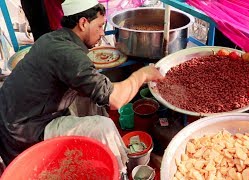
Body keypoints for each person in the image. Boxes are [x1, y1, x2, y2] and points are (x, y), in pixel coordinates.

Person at [0, 0, 163, 173]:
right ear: (83, 23)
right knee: (103, 127)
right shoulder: (68, 54)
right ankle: (119, 171)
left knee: (92, 100)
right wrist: (142, 74)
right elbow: (116, 100)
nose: (102, 33)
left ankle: (97, 151)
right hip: (24, 130)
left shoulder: (53, 38)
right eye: (100, 26)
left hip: (18, 113)